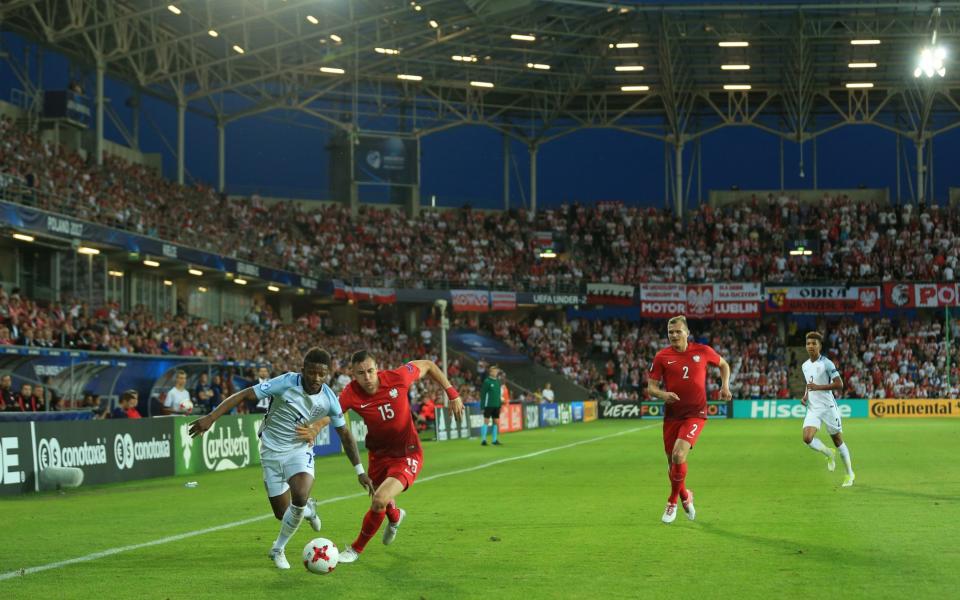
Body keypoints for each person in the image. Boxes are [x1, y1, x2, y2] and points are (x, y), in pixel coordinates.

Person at [188, 347, 372, 570]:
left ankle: (278, 549)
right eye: (312, 372)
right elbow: (245, 394)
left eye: (321, 374)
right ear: (303, 370)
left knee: (300, 493)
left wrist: (360, 471)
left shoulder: (329, 399)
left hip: (298, 450)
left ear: (328, 374)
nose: (316, 378)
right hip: (270, 452)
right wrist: (211, 418)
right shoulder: (285, 382)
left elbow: (345, 434)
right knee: (282, 514)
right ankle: (310, 510)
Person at [335, 350, 463, 564]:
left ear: (377, 368)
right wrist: (313, 429)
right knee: (382, 500)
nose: (367, 377)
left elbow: (429, 365)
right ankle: (395, 518)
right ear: (352, 374)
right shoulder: (350, 393)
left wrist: (452, 393)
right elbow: (331, 412)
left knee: (379, 500)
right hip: (378, 455)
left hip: (407, 453)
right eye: (361, 373)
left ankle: (355, 549)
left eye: (370, 371)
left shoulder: (398, 377)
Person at [647, 315, 732, 525]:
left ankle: (672, 501)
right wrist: (663, 395)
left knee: (678, 455)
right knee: (672, 465)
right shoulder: (661, 356)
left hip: (696, 414)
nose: (674, 335)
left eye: (678, 331)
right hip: (672, 416)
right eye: (670, 332)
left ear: (687, 332)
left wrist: (725, 386)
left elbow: (724, 365)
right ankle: (686, 495)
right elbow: (651, 387)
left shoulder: (702, 351)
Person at [801, 331, 855, 487]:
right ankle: (828, 453)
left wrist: (819, 387)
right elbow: (809, 383)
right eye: (808, 344)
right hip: (813, 408)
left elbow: (839, 384)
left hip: (828, 408)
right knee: (807, 438)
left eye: (814, 344)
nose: (810, 346)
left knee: (838, 441)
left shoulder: (827, 363)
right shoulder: (805, 365)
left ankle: (849, 474)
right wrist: (806, 395)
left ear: (819, 346)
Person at [479, 365, 503, 446]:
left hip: (496, 405)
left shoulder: (497, 382)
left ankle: (494, 440)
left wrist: (500, 405)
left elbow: (498, 394)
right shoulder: (487, 382)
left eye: (497, 371)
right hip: (488, 405)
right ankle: (483, 440)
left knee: (496, 422)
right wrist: (482, 406)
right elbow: (483, 394)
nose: (496, 372)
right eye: (494, 371)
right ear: (490, 372)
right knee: (486, 421)